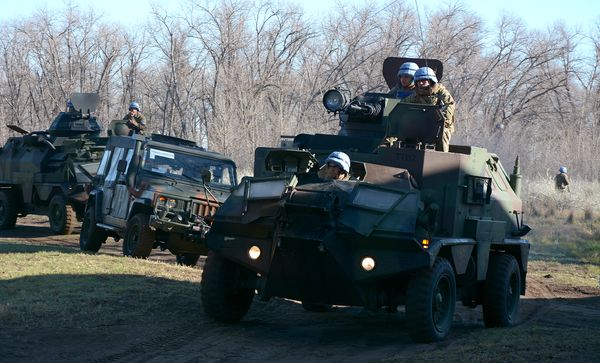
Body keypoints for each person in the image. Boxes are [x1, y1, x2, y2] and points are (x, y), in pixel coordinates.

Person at [404, 66, 455, 152]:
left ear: (430, 81)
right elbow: (403, 105)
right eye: (419, 81)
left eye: (423, 81)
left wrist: (443, 121)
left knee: (442, 134)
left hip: (439, 125)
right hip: (421, 125)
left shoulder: (440, 92)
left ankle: (442, 159)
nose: (420, 83)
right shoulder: (415, 95)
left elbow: (450, 104)